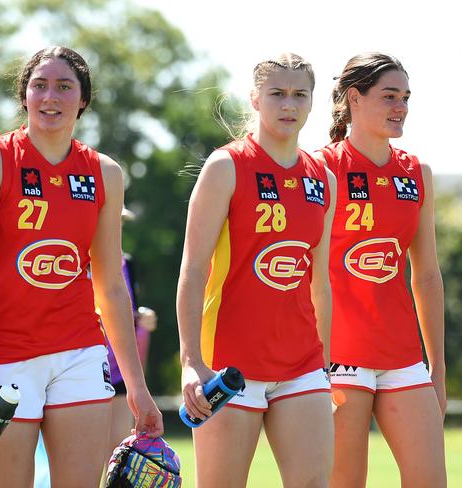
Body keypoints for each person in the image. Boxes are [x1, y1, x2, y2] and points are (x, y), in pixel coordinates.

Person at [0, 46, 163, 487]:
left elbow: (111, 287)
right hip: (1, 355)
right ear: (24, 96)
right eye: (39, 85)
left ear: (83, 99)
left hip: (79, 353)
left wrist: (138, 387)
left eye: (63, 86)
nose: (50, 96)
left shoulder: (104, 173)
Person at [177, 53, 336, 488]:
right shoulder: (226, 166)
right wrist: (192, 362)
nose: (289, 105)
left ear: (311, 102)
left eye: (299, 95)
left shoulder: (323, 177)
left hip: (302, 362)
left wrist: (326, 362)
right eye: (277, 94)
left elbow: (319, 282)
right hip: (228, 365)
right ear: (255, 99)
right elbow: (192, 270)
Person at [315, 52, 446, 488]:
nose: (401, 107)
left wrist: (437, 369)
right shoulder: (320, 168)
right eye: (389, 96)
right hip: (338, 357)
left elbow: (426, 275)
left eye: (405, 97)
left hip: (404, 356)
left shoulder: (418, 173)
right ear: (355, 98)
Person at [105, 206, 158, 463]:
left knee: (119, 452)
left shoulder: (128, 263)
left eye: (121, 222)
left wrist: (143, 322)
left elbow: (129, 316)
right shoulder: (82, 260)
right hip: (84, 370)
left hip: (119, 373)